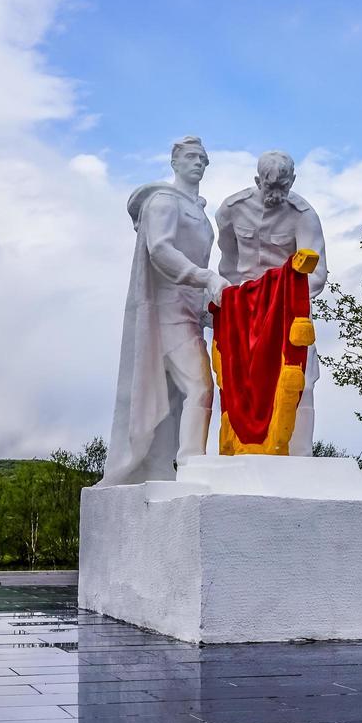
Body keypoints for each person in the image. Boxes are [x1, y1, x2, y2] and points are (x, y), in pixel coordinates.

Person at [100, 136, 228, 486]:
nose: (198, 162)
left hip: (189, 315)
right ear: (174, 162)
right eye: (190, 156)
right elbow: (160, 250)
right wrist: (206, 278)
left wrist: (208, 307)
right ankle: (190, 465)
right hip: (166, 313)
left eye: (203, 157)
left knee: (176, 399)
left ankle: (170, 466)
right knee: (200, 386)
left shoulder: (201, 213)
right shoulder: (163, 202)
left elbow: (198, 262)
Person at [215, 150, 327, 456]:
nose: (276, 194)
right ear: (256, 181)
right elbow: (228, 262)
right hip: (242, 313)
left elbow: (316, 274)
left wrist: (278, 294)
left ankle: (298, 456)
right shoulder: (231, 210)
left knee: (301, 382)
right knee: (238, 385)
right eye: (269, 187)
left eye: (282, 188)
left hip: (286, 312)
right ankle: (243, 451)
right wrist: (235, 298)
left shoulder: (303, 215)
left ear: (292, 182)